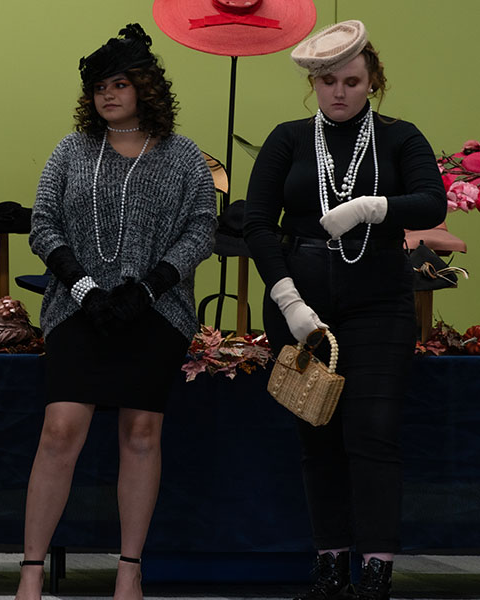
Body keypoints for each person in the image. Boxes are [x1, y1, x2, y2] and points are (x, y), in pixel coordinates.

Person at [243, 20, 446, 600]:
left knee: (374, 430)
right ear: (314, 83)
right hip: (299, 299)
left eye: (352, 81)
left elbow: (431, 201)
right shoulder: (287, 138)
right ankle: (330, 567)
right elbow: (256, 222)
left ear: (371, 81)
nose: (339, 92)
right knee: (318, 431)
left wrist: (371, 207)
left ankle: (376, 571)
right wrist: (288, 300)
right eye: (328, 80)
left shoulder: (399, 136)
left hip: (379, 301)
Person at [16, 24, 216, 600]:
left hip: (155, 311)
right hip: (79, 309)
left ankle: (130, 567)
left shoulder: (182, 156)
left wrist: (148, 288)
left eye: (120, 84)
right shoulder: (70, 150)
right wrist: (82, 288)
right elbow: (43, 224)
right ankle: (30, 569)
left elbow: (202, 227)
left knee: (142, 431)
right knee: (60, 430)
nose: (108, 95)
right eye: (99, 86)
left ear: (146, 89)